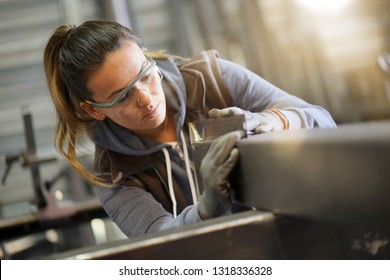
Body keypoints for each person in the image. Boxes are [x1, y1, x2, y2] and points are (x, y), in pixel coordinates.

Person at [43, 20, 336, 238]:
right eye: (122, 96)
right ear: (93, 109)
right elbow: (158, 240)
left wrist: (274, 121)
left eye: (145, 75)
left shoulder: (213, 81)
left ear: (146, 56)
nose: (145, 99)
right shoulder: (112, 174)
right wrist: (207, 208)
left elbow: (322, 121)